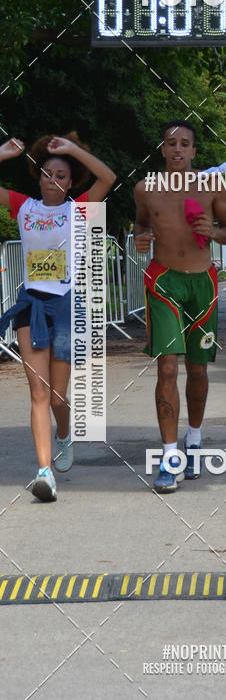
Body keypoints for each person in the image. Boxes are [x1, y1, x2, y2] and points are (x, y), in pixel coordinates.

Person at [0, 134, 116, 501]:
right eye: (47, 174)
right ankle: (45, 472)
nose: (53, 181)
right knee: (38, 393)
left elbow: (108, 178)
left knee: (55, 398)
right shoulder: (23, 207)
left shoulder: (77, 209)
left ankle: (63, 433)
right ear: (37, 177)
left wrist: (73, 150)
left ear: (71, 182)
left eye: (61, 176)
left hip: (65, 305)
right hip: (31, 304)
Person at [134, 120, 226, 493]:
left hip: (202, 284)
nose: (177, 149)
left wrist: (214, 232)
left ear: (194, 151)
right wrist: (140, 238)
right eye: (170, 143)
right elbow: (140, 226)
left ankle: (193, 439)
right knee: (166, 368)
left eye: (184, 143)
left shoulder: (212, 187)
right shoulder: (145, 189)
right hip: (163, 282)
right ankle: (169, 456)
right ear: (162, 150)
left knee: (197, 369)